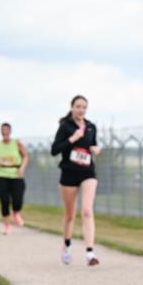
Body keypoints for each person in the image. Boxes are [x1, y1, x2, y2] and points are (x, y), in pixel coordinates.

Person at [51, 96, 101, 265]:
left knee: (87, 211)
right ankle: (66, 246)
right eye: (78, 106)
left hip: (87, 172)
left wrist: (95, 149)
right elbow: (54, 150)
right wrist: (72, 138)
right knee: (70, 215)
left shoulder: (91, 127)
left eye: (84, 107)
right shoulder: (65, 126)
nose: (81, 110)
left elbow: (93, 145)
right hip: (69, 173)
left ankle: (90, 253)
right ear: (72, 108)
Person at [0, 122, 28, 235]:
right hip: (1, 175)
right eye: (3, 130)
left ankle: (16, 212)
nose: (5, 132)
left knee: (18, 199)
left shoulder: (17, 143)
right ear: (0, 132)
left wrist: (22, 168)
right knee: (5, 201)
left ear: (10, 131)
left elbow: (25, 156)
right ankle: (7, 225)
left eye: (6, 130)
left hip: (16, 174)